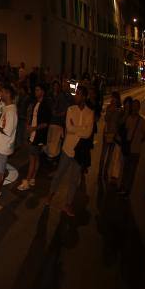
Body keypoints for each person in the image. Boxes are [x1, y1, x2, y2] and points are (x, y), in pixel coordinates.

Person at [45, 85, 93, 217]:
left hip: (80, 152)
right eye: (76, 93)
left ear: (84, 97)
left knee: (74, 180)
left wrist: (76, 128)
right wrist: (80, 129)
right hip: (67, 149)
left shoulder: (90, 113)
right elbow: (69, 128)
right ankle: (49, 196)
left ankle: (68, 205)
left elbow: (88, 133)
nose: (75, 96)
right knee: (59, 174)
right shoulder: (70, 109)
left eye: (78, 94)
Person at [17, 83, 50, 192]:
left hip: (38, 135)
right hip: (34, 133)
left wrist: (33, 128)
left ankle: (27, 181)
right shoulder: (36, 103)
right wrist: (29, 125)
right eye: (35, 90)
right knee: (36, 158)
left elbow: (45, 123)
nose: (36, 92)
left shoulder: (45, 104)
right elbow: (31, 116)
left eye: (38, 90)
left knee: (32, 158)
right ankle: (32, 178)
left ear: (43, 92)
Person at [118, 99, 145, 197]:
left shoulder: (142, 121)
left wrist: (137, 141)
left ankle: (127, 190)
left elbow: (144, 135)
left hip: (136, 150)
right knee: (125, 169)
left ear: (138, 108)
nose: (134, 107)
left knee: (132, 172)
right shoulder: (128, 118)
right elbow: (125, 131)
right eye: (133, 105)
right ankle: (123, 187)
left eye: (136, 106)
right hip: (128, 148)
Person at [99, 92, 123, 178]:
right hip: (107, 132)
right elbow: (106, 119)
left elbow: (120, 122)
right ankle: (100, 170)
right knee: (103, 153)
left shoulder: (120, 110)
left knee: (110, 154)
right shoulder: (109, 107)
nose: (113, 99)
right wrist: (110, 111)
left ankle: (105, 171)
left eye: (114, 98)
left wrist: (117, 112)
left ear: (117, 99)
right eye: (112, 98)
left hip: (114, 134)